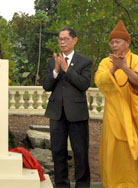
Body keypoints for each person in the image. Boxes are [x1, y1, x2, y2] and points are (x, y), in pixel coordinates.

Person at [94, 20, 138, 188]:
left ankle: (137, 183)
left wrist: (125, 68)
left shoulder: (137, 61)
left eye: (117, 42)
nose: (114, 45)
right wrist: (113, 69)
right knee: (114, 153)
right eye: (112, 43)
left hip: (134, 115)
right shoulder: (106, 62)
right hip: (114, 115)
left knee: (136, 154)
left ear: (127, 43)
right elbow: (99, 81)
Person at [42, 27, 92, 188]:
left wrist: (66, 69)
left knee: (80, 152)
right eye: (60, 38)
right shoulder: (52, 61)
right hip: (57, 114)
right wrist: (56, 70)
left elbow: (84, 84)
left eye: (65, 38)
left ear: (74, 40)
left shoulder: (85, 62)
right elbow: (47, 86)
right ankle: (61, 184)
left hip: (77, 114)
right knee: (58, 152)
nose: (62, 41)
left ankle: (82, 185)